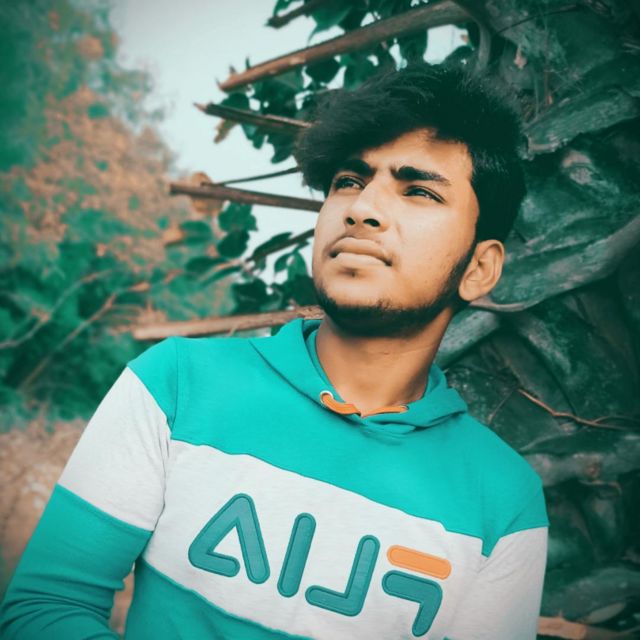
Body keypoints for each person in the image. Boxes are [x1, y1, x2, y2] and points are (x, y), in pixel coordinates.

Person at [0, 63, 548, 639]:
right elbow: (45, 608)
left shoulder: (503, 502)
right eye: (349, 181)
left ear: (479, 268)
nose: (361, 209)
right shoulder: (177, 385)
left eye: (419, 191)